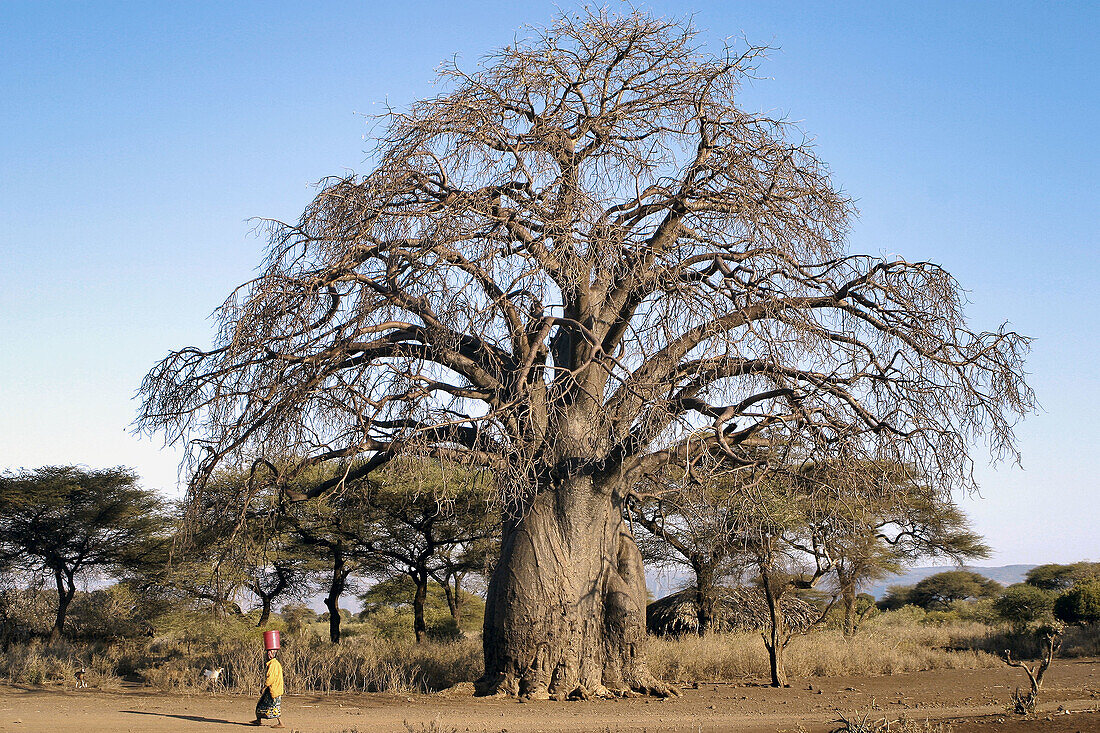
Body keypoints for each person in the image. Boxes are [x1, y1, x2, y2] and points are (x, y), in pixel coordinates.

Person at [250, 648, 284, 728]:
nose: (266, 655)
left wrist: (264, 686)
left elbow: (270, 678)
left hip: (274, 689)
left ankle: (281, 723)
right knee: (261, 704)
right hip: (274, 688)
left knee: (274, 706)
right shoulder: (275, 663)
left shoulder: (273, 665)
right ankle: (258, 720)